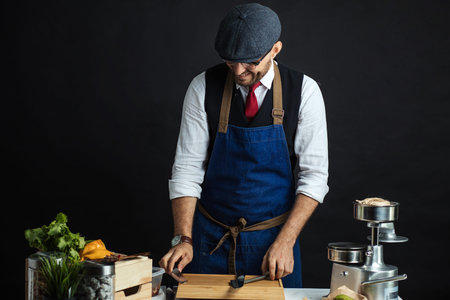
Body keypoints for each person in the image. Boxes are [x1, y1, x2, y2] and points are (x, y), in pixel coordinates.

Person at [159, 3, 328, 288]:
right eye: (229, 61)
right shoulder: (202, 87)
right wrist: (183, 238)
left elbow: (314, 177)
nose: (238, 71)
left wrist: (286, 241)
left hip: (274, 245)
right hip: (208, 242)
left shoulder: (305, 91)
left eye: (249, 61)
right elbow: (187, 169)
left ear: (275, 50)